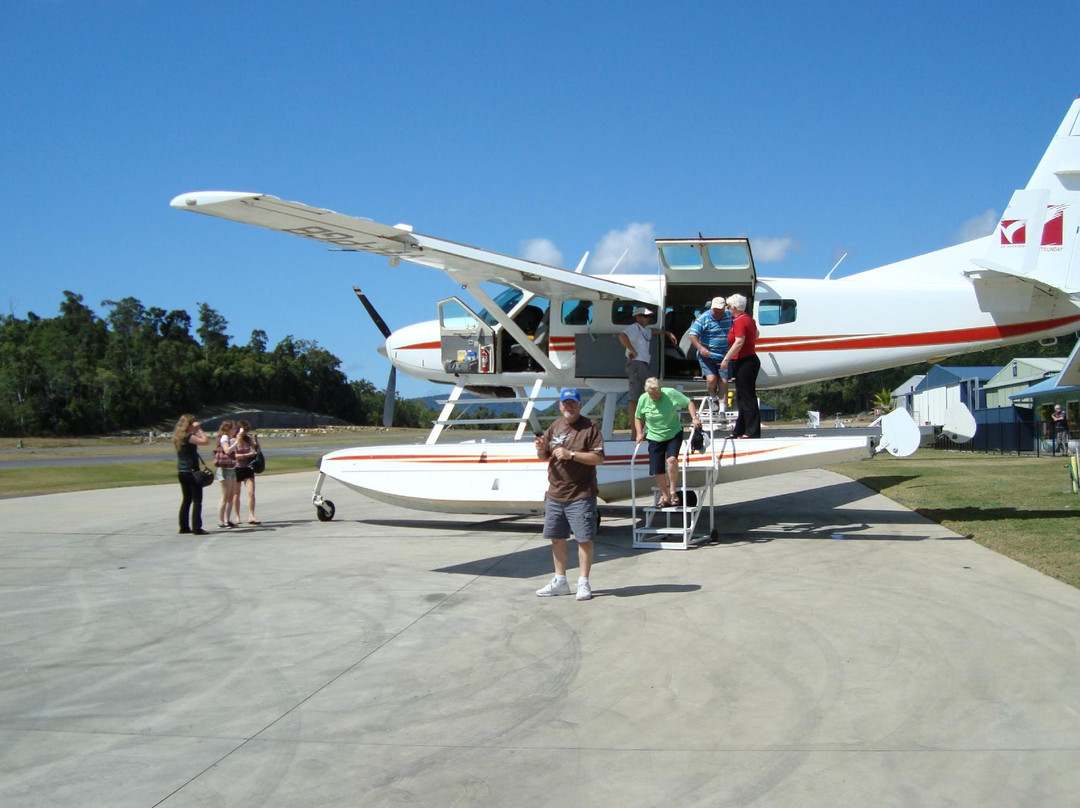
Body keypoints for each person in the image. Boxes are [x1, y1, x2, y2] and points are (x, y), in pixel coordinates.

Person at [534, 388, 605, 601]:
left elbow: (599, 458)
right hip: (555, 493)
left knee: (584, 539)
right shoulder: (554, 426)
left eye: (572, 403)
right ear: (560, 405)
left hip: (581, 493)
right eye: (565, 403)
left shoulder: (590, 427)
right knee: (557, 538)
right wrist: (539, 448)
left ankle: (583, 582)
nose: (569, 407)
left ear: (579, 405)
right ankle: (560, 581)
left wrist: (571, 454)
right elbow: (542, 456)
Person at [635, 377, 700, 507]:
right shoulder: (643, 399)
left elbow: (688, 402)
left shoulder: (670, 393)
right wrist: (639, 433)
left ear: (660, 389)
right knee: (657, 468)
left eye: (657, 392)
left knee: (671, 460)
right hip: (654, 436)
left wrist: (694, 418)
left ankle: (672, 491)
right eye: (652, 394)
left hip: (673, 433)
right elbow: (638, 417)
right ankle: (665, 497)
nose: (655, 396)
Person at [619, 306, 677, 439]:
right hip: (636, 363)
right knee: (635, 398)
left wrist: (667, 333)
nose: (648, 318)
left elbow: (653, 331)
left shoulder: (644, 330)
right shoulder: (634, 327)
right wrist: (631, 349)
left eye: (649, 316)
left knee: (643, 397)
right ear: (637, 317)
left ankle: (640, 430)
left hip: (643, 364)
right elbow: (622, 336)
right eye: (645, 316)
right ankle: (635, 433)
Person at [720, 293, 761, 438]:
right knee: (741, 397)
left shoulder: (740, 321)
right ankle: (740, 430)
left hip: (745, 360)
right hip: (746, 360)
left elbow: (739, 341)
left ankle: (752, 431)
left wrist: (726, 359)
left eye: (729, 307)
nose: (728, 309)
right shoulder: (748, 319)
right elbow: (756, 334)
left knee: (747, 396)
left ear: (735, 307)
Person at [687, 296, 733, 411]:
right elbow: (692, 335)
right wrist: (701, 348)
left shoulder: (729, 316)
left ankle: (722, 410)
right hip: (707, 355)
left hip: (724, 355)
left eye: (720, 311)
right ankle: (713, 398)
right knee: (712, 379)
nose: (717, 313)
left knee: (723, 381)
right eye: (715, 311)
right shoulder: (704, 318)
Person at [173, 414, 210, 535]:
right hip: (192, 471)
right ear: (188, 425)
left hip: (182, 471)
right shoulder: (189, 437)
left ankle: (184, 526)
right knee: (197, 500)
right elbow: (205, 441)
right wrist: (199, 429)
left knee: (187, 499)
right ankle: (196, 527)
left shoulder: (178, 437)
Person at [233, 420, 261, 524]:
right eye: (243, 430)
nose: (245, 432)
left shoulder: (247, 439)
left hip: (247, 468)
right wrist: (247, 455)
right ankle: (237, 516)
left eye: (246, 430)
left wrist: (256, 440)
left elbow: (256, 450)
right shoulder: (233, 440)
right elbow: (234, 456)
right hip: (236, 468)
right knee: (236, 494)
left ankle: (251, 516)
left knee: (251, 493)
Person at [214, 420, 239, 528]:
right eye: (233, 428)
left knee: (231, 496)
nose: (235, 430)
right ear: (228, 429)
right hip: (224, 469)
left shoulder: (229, 438)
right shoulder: (224, 437)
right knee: (225, 496)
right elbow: (227, 451)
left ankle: (227, 519)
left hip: (231, 468)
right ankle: (221, 520)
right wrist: (237, 442)